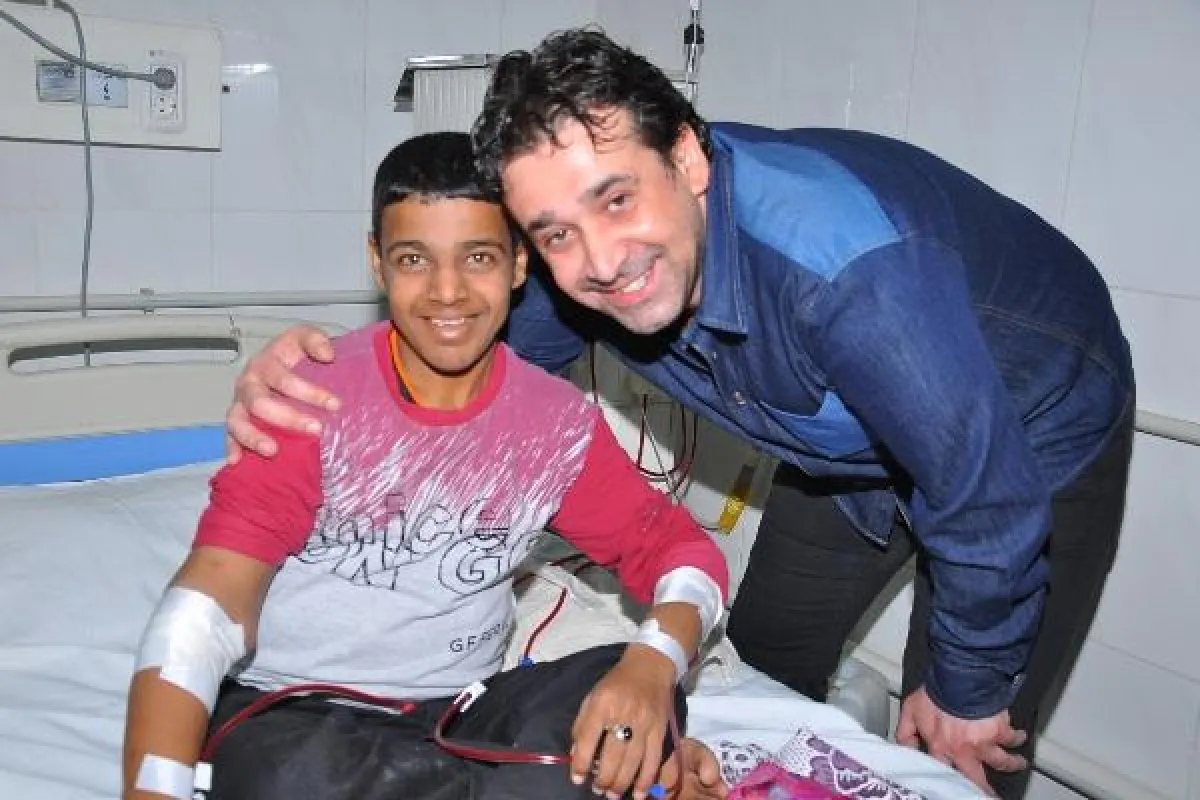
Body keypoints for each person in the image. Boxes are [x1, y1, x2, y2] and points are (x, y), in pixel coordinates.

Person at [222, 29, 1135, 800]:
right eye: (555, 233)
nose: (600, 262)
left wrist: (969, 689)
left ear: (689, 160)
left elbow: (981, 495)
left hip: (1032, 436)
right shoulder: (579, 271)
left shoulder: (846, 277)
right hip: (849, 452)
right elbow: (461, 362)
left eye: (617, 198)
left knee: (962, 748)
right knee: (768, 654)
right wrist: (324, 376)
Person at [122, 131, 731, 800]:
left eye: (478, 257)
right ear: (377, 263)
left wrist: (652, 669)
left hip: (463, 715)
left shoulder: (553, 426)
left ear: (519, 264)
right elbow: (205, 608)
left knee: (621, 686)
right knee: (289, 780)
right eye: (415, 259)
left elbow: (680, 551)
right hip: (296, 715)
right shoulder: (306, 397)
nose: (448, 292)